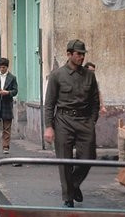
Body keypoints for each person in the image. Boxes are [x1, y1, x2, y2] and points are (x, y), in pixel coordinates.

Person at [43, 40, 100, 208]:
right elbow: (49, 104)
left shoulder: (90, 75)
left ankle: (74, 185)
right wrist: (49, 126)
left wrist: (92, 120)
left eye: (83, 54)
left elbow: (95, 101)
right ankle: (68, 197)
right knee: (64, 160)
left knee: (89, 157)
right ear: (69, 54)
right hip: (63, 121)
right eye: (78, 54)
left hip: (84, 121)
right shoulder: (57, 75)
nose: (81, 57)